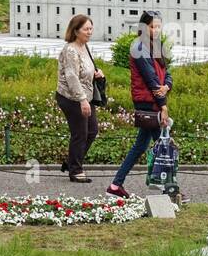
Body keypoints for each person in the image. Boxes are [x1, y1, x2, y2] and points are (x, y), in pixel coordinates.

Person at [108, 11, 172, 198]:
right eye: (152, 27)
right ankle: (168, 187)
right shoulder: (138, 48)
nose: (156, 30)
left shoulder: (156, 46)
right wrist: (163, 105)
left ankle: (115, 186)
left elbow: (166, 72)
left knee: (141, 146)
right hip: (148, 102)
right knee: (163, 145)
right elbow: (150, 79)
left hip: (153, 100)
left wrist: (167, 86)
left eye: (159, 26)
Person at [56, 14, 103, 183]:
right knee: (80, 133)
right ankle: (75, 171)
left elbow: (85, 71)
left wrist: (97, 74)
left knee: (92, 131)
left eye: (91, 28)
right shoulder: (70, 50)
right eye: (86, 29)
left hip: (86, 96)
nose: (89, 32)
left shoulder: (85, 46)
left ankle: (71, 162)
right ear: (76, 31)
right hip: (72, 97)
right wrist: (82, 100)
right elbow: (71, 77)